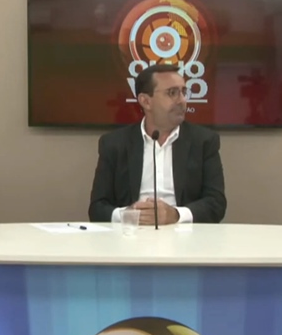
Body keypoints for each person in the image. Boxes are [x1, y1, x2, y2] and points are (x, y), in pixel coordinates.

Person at [88, 64, 226, 225]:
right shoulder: (114, 144)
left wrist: (176, 215)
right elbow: (97, 209)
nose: (182, 100)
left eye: (184, 92)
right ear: (146, 101)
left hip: (184, 234)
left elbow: (216, 204)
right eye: (172, 93)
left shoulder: (203, 141)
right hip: (131, 234)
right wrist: (129, 215)